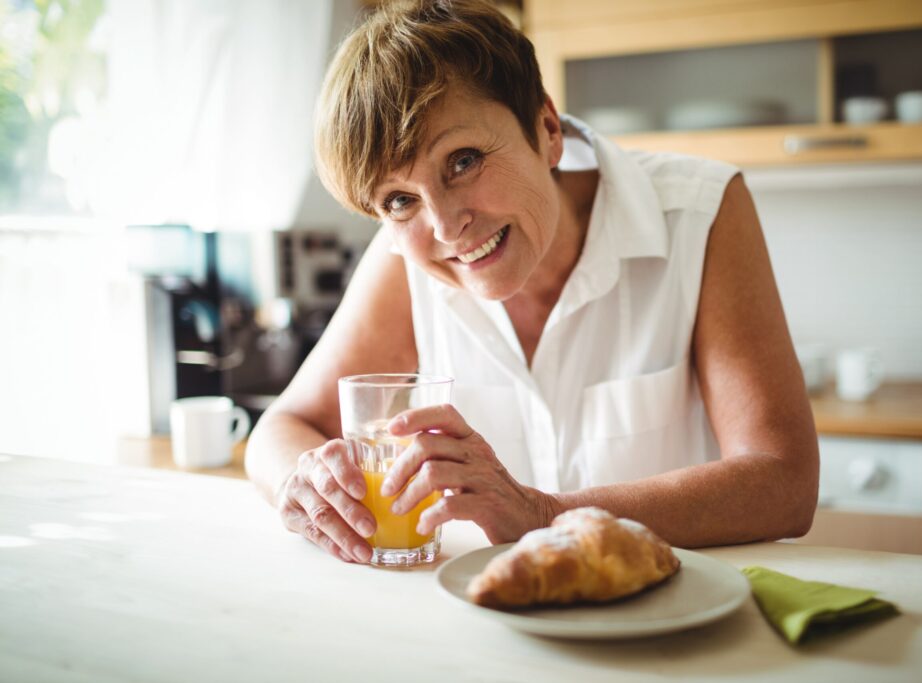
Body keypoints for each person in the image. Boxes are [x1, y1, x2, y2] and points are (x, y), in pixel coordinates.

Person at [244, 0, 819, 564]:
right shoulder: (402, 255)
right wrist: (308, 483)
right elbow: (283, 428)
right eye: (399, 199)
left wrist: (542, 514)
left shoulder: (702, 211)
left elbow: (784, 481)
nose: (446, 227)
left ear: (547, 129)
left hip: (669, 626)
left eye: (463, 160)